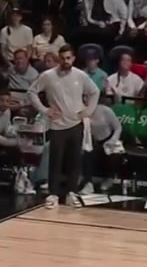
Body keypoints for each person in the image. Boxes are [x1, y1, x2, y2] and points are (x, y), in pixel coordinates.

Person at [28, 44, 100, 208]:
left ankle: (71, 193)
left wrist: (88, 111)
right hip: (57, 125)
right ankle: (53, 194)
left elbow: (95, 92)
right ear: (58, 59)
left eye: (68, 58)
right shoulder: (48, 76)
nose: (66, 61)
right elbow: (31, 92)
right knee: (56, 160)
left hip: (76, 123)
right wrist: (45, 110)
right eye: (62, 58)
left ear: (73, 59)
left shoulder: (80, 75)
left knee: (75, 161)